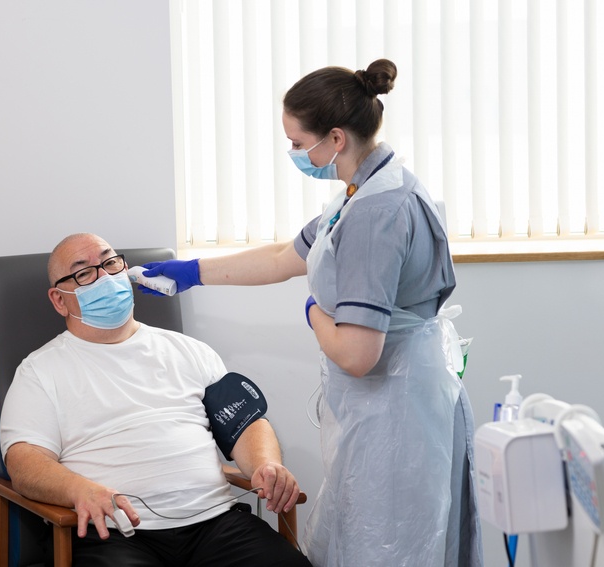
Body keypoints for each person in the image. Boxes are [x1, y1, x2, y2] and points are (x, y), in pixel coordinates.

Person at [141, 59, 483, 567]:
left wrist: (315, 310)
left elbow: (357, 354)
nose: (295, 153)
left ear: (336, 139)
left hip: (398, 412)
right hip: (388, 404)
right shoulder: (363, 190)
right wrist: (192, 272)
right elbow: (287, 256)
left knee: (387, 549)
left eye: (298, 143)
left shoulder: (375, 213)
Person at [0, 232, 312, 567]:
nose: (104, 277)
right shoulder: (40, 371)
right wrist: (79, 490)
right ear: (59, 300)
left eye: (110, 262)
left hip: (217, 524)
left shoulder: (189, 350)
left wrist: (265, 465)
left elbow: (246, 424)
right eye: (84, 272)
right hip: (114, 533)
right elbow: (24, 462)